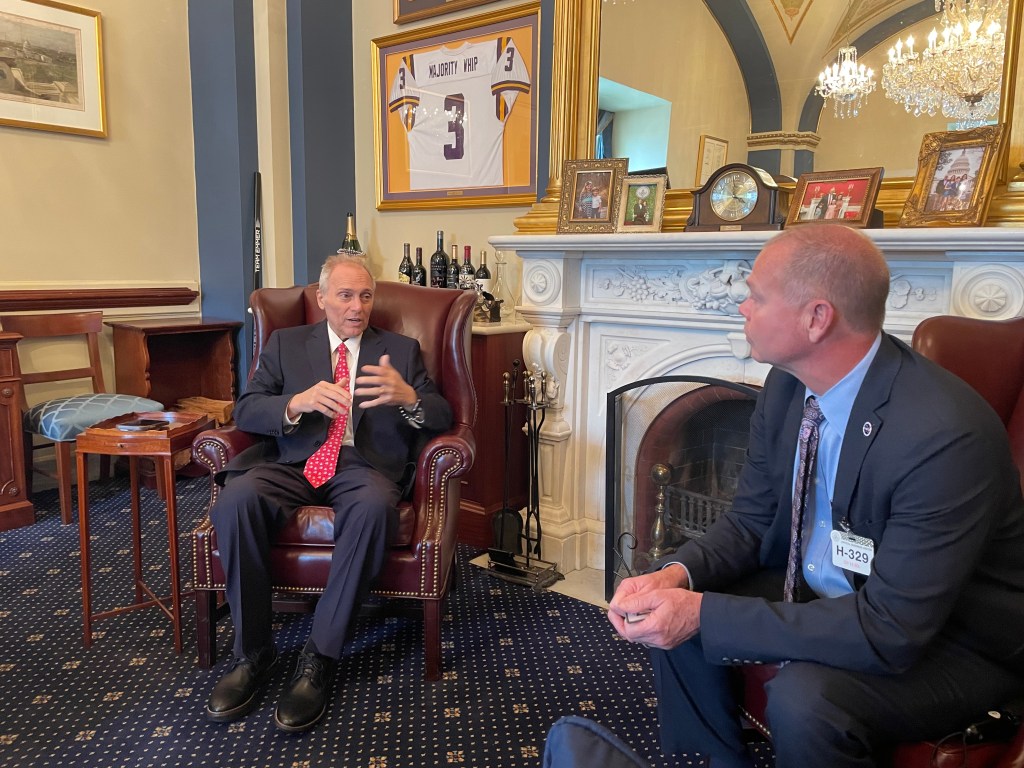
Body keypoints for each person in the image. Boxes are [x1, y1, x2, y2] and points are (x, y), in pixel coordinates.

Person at [607, 225, 1024, 768]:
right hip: (833, 591)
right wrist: (678, 576)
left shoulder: (944, 435)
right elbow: (751, 521)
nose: (742, 307)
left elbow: (892, 628)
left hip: (952, 639)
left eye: (756, 296)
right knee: (671, 606)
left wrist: (704, 613)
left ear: (816, 317)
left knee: (808, 699)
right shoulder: (787, 384)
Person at [205, 252, 453, 732]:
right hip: (294, 461)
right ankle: (253, 654)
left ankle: (320, 656)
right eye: (345, 295)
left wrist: (411, 399)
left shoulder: (399, 350)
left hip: (363, 466)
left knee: (374, 509)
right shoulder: (285, 344)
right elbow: (248, 409)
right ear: (321, 299)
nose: (357, 306)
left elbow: (443, 415)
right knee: (236, 500)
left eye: (365, 295)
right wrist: (294, 404)